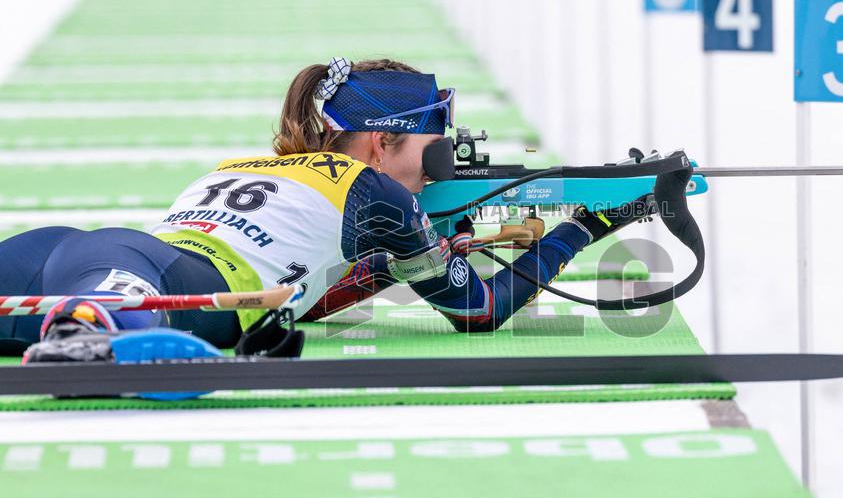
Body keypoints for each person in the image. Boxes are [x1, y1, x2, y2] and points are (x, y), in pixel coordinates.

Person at [0, 57, 650, 363]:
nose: (441, 165)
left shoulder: (244, 165)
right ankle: (93, 337)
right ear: (381, 141)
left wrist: (400, 265)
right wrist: (584, 227)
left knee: (77, 311)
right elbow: (480, 313)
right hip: (156, 280)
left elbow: (303, 295)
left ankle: (86, 329)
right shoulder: (374, 194)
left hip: (82, 254)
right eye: (435, 149)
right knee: (98, 324)